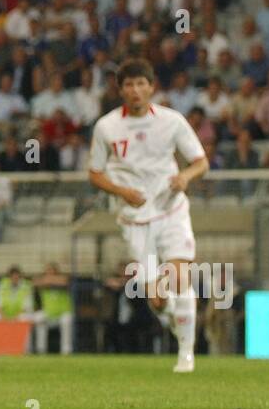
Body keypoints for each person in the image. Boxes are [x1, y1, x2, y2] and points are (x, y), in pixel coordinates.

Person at [88, 58, 208, 372]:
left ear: (151, 87)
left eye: (142, 83)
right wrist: (122, 192)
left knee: (180, 277)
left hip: (171, 210)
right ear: (120, 89)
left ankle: (186, 353)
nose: (136, 90)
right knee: (156, 298)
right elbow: (95, 173)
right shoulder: (107, 127)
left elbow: (200, 162)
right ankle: (175, 319)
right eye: (129, 84)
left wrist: (185, 177)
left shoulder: (172, 121)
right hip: (134, 219)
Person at [34, 262, 75, 355]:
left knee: (66, 320)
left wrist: (49, 280)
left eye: (52, 271)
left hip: (63, 313)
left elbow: (65, 281)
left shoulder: (62, 280)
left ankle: (66, 351)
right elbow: (35, 282)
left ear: (57, 272)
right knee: (38, 318)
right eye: (48, 271)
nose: (50, 274)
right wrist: (48, 281)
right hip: (48, 314)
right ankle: (41, 350)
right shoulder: (42, 282)